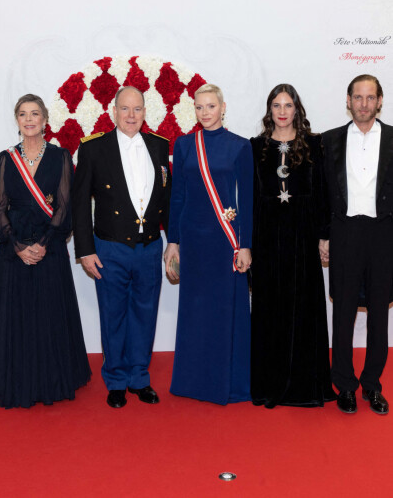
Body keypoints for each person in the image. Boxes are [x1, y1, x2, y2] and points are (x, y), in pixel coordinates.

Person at [0, 94, 91, 408]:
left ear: (45, 120)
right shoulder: (5, 158)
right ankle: (16, 381)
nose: (29, 120)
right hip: (14, 252)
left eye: (34, 114)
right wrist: (17, 246)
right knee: (18, 321)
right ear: (17, 121)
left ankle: (52, 381)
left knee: (49, 319)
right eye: (22, 114)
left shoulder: (60, 157)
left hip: (50, 250)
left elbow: (64, 205)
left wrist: (42, 244)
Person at [72, 86, 171, 408]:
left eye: (138, 109)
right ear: (113, 111)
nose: (131, 115)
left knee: (145, 314)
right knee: (113, 316)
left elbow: (167, 201)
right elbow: (78, 202)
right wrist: (85, 250)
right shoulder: (93, 149)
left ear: (145, 112)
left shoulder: (159, 146)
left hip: (150, 247)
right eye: (125, 109)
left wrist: (175, 242)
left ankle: (139, 378)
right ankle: (115, 379)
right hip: (110, 247)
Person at [164, 83, 252, 404]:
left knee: (225, 310)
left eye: (211, 106)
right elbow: (178, 196)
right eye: (199, 107)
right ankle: (192, 382)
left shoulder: (240, 146)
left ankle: (229, 383)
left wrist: (246, 244)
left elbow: (249, 201)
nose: (205, 113)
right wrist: (172, 241)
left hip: (225, 241)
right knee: (195, 312)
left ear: (223, 107)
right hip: (193, 241)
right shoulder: (185, 145)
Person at [250, 84, 336, 408]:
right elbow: (252, 199)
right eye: (276, 105)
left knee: (304, 310)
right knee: (271, 311)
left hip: (303, 239)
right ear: (269, 110)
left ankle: (305, 386)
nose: (282, 111)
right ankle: (271, 384)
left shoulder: (315, 145)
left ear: (297, 109)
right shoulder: (255, 147)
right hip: (268, 239)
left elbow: (324, 193)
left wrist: (325, 235)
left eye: (288, 105)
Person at [322, 74, 393, 415]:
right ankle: (345, 385)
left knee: (380, 313)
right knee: (344, 314)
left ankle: (372, 385)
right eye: (358, 97)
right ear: (347, 101)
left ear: (380, 101)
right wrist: (324, 235)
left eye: (370, 97)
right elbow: (322, 195)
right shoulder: (329, 141)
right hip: (345, 234)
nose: (364, 104)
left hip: (384, 236)